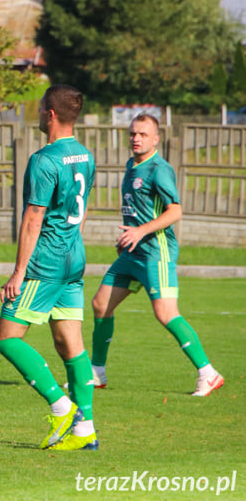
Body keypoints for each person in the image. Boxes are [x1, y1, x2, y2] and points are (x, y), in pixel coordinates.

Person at [0, 84, 98, 452]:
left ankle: (61, 406)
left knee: (6, 338)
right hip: (74, 259)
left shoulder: (44, 159)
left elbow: (33, 218)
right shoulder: (86, 155)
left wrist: (20, 271)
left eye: (40, 109)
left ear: (49, 114)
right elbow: (80, 212)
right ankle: (85, 431)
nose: (38, 114)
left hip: (46, 263)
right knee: (69, 344)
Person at [90, 114, 224, 397]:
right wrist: (129, 236)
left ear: (155, 139)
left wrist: (140, 231)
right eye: (132, 133)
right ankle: (97, 373)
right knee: (101, 305)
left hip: (156, 252)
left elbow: (175, 211)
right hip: (132, 253)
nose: (136, 138)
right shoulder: (131, 165)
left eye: (142, 134)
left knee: (165, 313)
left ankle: (207, 372)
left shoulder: (159, 170)